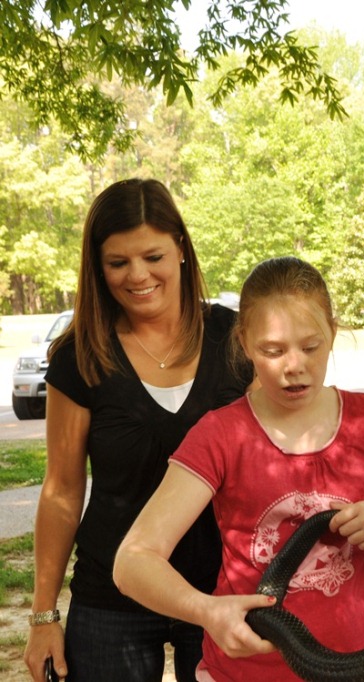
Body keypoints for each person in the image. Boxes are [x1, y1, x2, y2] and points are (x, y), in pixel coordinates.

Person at [113, 255, 364, 680]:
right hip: (243, 673)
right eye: (272, 351)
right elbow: (132, 562)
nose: (294, 366)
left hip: (361, 668)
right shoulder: (220, 434)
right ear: (243, 343)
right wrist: (208, 611)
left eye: (311, 346)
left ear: (333, 330)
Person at [23, 178, 252, 682]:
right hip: (112, 597)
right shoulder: (79, 356)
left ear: (182, 252)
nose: (138, 275)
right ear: (98, 268)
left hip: (224, 589)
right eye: (118, 262)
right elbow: (62, 489)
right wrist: (43, 616)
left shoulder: (236, 341)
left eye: (153, 256)